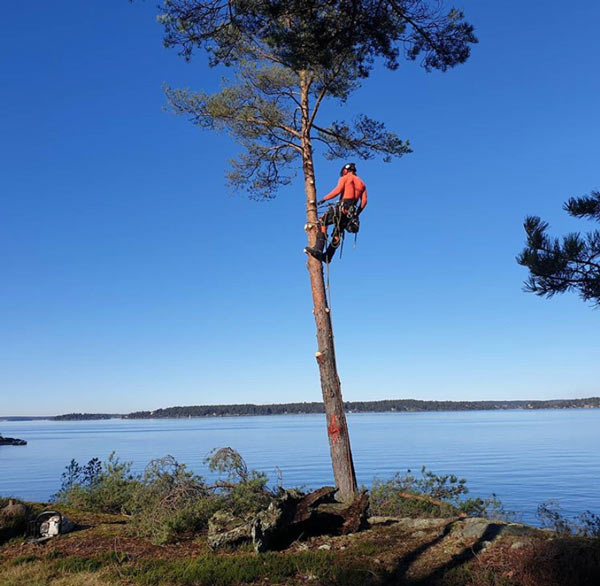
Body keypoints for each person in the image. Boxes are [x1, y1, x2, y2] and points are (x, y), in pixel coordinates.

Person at [304, 162, 368, 263]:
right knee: (338, 232)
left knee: (323, 221)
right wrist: (357, 213)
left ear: (345, 171)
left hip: (342, 207)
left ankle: (318, 248)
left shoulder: (346, 178)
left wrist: (324, 199)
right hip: (350, 213)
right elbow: (364, 201)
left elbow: (337, 191)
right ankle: (328, 256)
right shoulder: (362, 183)